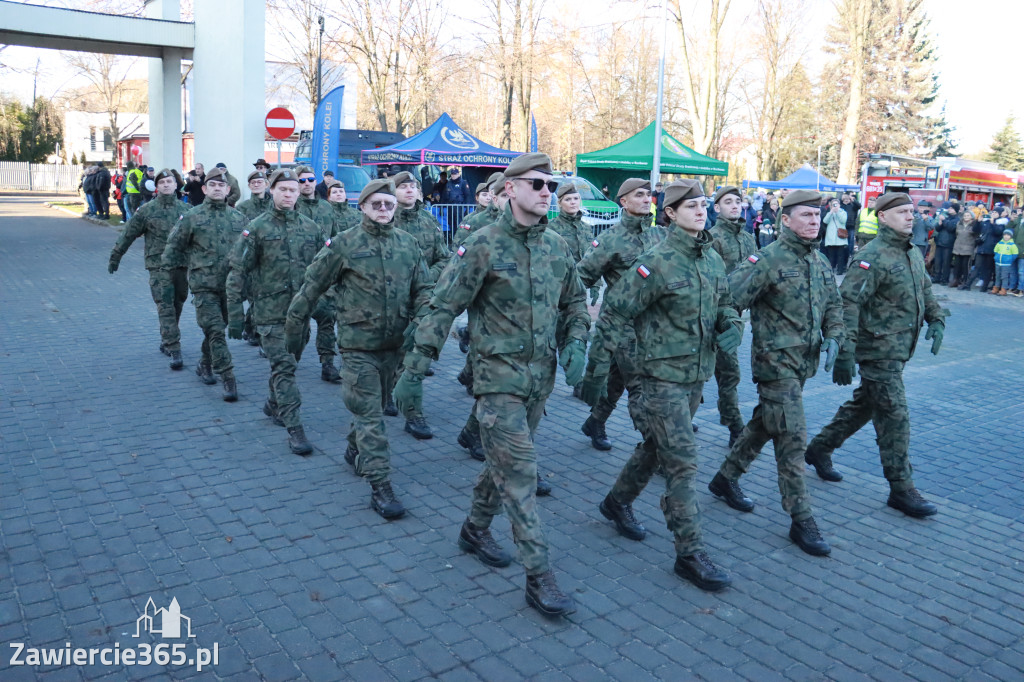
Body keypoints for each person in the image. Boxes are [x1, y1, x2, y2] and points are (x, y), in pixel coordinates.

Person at [392, 153, 588, 617]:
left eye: (552, 187)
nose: (547, 193)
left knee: (502, 464)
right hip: (497, 378)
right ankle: (539, 576)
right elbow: (443, 306)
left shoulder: (557, 246)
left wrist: (577, 341)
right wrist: (415, 367)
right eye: (537, 184)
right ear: (511, 189)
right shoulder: (483, 244)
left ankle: (474, 529)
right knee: (521, 473)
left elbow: (576, 301)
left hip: (540, 377)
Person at [581, 179, 742, 591]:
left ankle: (616, 503)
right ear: (670, 213)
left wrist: (732, 324)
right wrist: (596, 372)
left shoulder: (711, 259)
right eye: (691, 206)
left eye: (704, 204)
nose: (701, 211)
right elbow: (614, 314)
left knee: (655, 449)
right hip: (658, 378)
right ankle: (689, 553)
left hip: (695, 376)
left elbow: (725, 303)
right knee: (683, 461)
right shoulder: (656, 261)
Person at [709, 189, 845, 557]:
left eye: (817, 216)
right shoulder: (766, 260)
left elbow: (834, 304)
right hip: (774, 365)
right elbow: (727, 299)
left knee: (766, 423)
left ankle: (725, 478)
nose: (813, 222)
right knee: (792, 437)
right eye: (805, 216)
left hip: (803, 365)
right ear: (785, 220)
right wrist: (730, 326)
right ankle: (801, 518)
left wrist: (834, 336)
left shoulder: (818, 262)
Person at [287, 178, 433, 519]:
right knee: (372, 417)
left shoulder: (408, 244)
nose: (383, 210)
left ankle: (354, 448)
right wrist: (294, 329)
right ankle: (380, 485)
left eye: (389, 205)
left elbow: (425, 288)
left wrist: (421, 320)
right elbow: (312, 287)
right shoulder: (344, 244)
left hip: (396, 346)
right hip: (358, 347)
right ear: (363, 207)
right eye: (376, 204)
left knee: (376, 409)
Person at [805, 192, 948, 518]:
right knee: (894, 416)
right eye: (901, 212)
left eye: (911, 211)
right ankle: (901, 488)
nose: (910, 217)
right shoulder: (872, 256)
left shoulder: (911, 251)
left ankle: (819, 448)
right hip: (877, 351)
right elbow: (848, 305)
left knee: (865, 405)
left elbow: (924, 288)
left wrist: (936, 318)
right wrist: (845, 351)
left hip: (898, 348)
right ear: (883, 217)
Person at [226, 169, 326, 455]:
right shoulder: (256, 228)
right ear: (272, 191)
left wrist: (328, 301)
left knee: (288, 364)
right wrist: (235, 313)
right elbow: (238, 271)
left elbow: (324, 269)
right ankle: (294, 428)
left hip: (300, 314)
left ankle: (273, 404)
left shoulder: (311, 227)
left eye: (293, 190)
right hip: (269, 314)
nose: (288, 194)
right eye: (282, 189)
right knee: (284, 366)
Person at [576, 178, 665, 451]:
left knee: (616, 380)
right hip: (622, 325)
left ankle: (595, 421)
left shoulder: (660, 235)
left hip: (654, 324)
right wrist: (576, 320)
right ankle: (657, 449)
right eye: (638, 195)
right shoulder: (609, 239)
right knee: (640, 385)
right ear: (623, 202)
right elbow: (581, 277)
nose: (645, 199)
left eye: (647, 195)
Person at [161, 167, 246, 401]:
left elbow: (249, 253)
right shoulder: (192, 216)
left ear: (228, 189)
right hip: (203, 285)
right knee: (216, 330)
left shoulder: (239, 219)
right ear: (204, 188)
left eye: (222, 185)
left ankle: (205, 364)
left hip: (230, 287)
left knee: (218, 330)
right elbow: (173, 247)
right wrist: (166, 278)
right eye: (213, 185)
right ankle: (228, 377)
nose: (217, 189)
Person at [389, 171, 451, 438]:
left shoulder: (428, 220)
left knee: (415, 357)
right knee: (390, 354)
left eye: (413, 186)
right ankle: (388, 392)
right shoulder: (385, 219)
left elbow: (443, 258)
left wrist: (426, 278)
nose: (410, 190)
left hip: (422, 300)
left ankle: (413, 413)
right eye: (403, 187)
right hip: (388, 301)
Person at [108, 168, 189, 370]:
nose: (166, 185)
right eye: (162, 183)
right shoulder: (147, 210)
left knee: (178, 302)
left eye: (169, 182)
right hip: (158, 266)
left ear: (176, 185)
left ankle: (167, 339)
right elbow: (128, 234)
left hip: (181, 265)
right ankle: (174, 347)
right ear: (157, 186)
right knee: (165, 305)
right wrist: (116, 256)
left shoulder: (187, 211)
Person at [708, 185, 758, 445]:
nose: (735, 206)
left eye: (738, 201)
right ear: (717, 208)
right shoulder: (711, 237)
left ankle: (734, 425)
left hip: (735, 316)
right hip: (712, 314)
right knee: (705, 374)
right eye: (728, 202)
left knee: (728, 374)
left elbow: (757, 273)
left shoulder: (748, 238)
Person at [293, 166, 342, 383]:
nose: (306, 184)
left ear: (316, 181)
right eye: (301, 181)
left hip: (324, 274)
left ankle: (328, 363)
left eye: (310, 180)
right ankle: (289, 361)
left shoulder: (327, 208)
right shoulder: (291, 207)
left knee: (327, 319)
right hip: (297, 274)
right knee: (298, 324)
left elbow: (335, 238)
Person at [929, 200, 956, 285]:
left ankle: (944, 279)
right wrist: (939, 223)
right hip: (939, 241)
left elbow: (951, 228)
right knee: (938, 261)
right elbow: (937, 228)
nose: (949, 210)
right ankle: (937, 277)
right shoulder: (945, 217)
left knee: (946, 263)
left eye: (951, 208)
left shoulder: (956, 218)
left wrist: (944, 221)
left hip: (948, 243)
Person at [821, 198, 849, 272]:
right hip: (831, 238)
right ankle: (831, 269)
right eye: (833, 205)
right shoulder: (829, 212)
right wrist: (831, 212)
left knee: (840, 255)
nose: (835, 206)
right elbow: (825, 221)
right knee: (831, 255)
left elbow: (843, 220)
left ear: (839, 205)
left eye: (836, 204)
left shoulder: (843, 212)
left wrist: (837, 212)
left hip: (840, 237)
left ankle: (840, 270)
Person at [951, 207, 976, 289]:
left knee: (965, 266)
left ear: (971, 217)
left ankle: (965, 281)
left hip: (968, 248)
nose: (966, 217)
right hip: (958, 247)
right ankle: (956, 280)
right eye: (965, 215)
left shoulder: (974, 225)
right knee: (956, 265)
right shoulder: (959, 224)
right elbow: (956, 234)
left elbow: (975, 235)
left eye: (968, 215)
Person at [992, 229, 1019, 295]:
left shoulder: (1012, 245)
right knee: (997, 276)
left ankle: (1003, 290)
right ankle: (996, 288)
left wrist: (1009, 259)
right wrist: (997, 257)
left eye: (1008, 235)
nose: (1006, 236)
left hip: (1006, 264)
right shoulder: (999, 243)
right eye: (1005, 235)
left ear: (1011, 236)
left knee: (1004, 277)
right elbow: (995, 251)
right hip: (998, 262)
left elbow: (1015, 254)